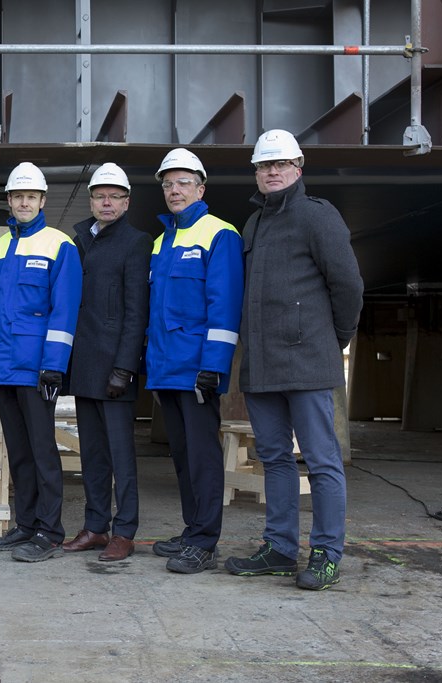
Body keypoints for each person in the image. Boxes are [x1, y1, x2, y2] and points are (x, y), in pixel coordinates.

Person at [224, 130, 363, 590]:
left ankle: (325, 553)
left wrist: (332, 340)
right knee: (275, 459)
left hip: (308, 364)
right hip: (262, 366)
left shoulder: (317, 217)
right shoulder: (254, 224)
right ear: (258, 174)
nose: (272, 172)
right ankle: (280, 549)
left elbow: (348, 287)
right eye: (265, 166)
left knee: (322, 461)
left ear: (298, 168)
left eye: (281, 164)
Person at [0, 162, 82, 563]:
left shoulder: (59, 245)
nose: (24, 202)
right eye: (18, 196)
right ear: (9, 200)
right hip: (2, 367)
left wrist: (53, 365)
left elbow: (64, 310)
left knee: (42, 452)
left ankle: (50, 531)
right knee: (18, 452)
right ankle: (26, 525)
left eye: (31, 196)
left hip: (37, 368)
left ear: (42, 201)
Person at [146, 148, 243, 574]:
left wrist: (214, 366)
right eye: (168, 184)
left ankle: (204, 543)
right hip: (167, 366)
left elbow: (224, 305)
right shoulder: (162, 241)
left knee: (203, 456)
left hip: (197, 368)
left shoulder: (220, 234)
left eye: (183, 182)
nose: (174, 190)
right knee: (183, 455)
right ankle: (192, 531)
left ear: (200, 188)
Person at [62, 163, 151, 562]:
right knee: (92, 455)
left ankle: (124, 530)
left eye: (115, 196)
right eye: (100, 195)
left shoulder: (136, 242)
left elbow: (136, 311)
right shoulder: (79, 241)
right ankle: (96, 527)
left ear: (127, 202)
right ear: (91, 200)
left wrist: (125, 367)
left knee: (120, 456)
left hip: (115, 366)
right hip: (84, 364)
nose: (107, 202)